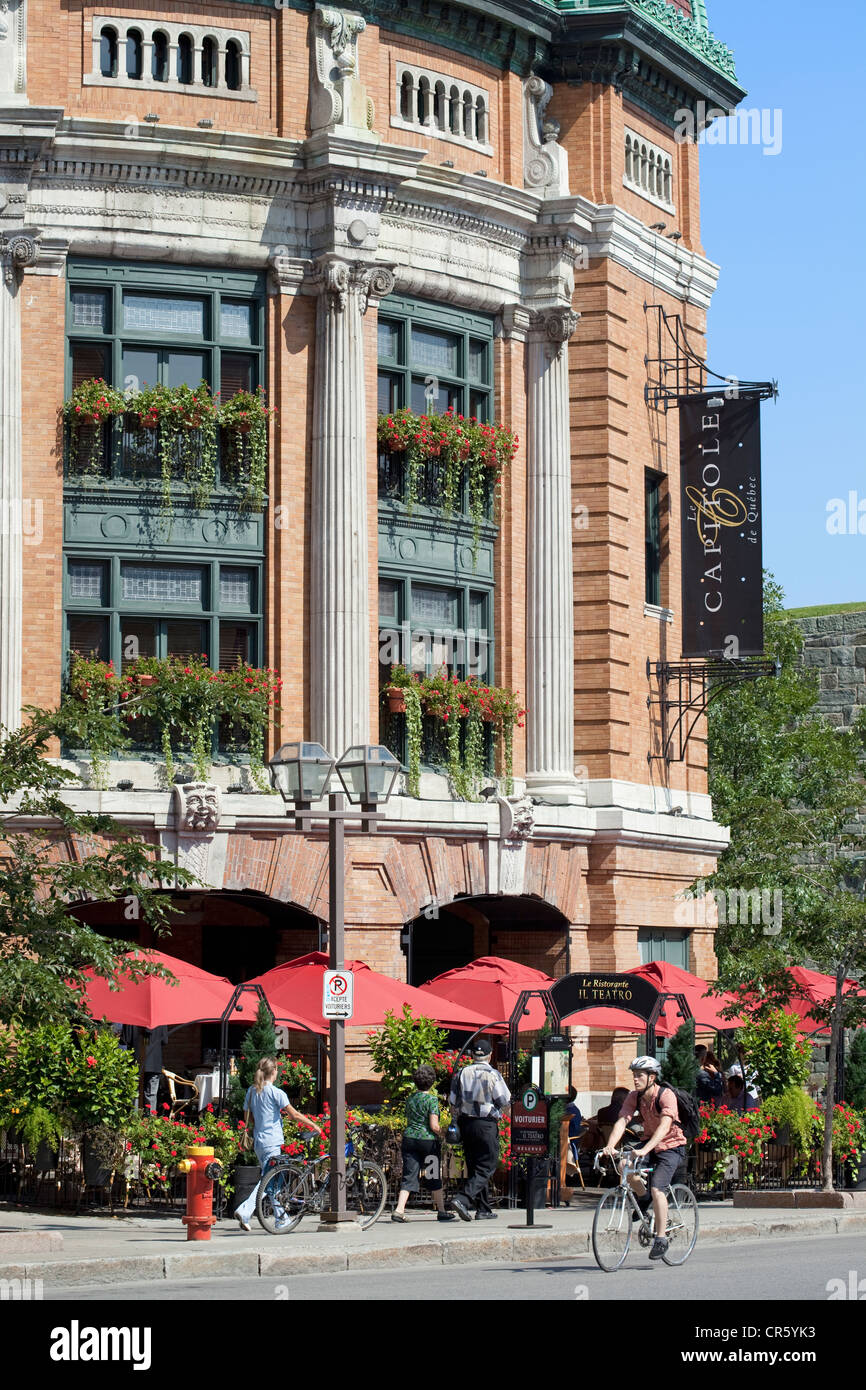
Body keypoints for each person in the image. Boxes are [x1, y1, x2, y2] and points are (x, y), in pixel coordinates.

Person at [602, 1055, 687, 1262]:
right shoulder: (634, 1096)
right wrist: (610, 1146)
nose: (635, 1079)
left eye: (639, 1075)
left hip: (671, 1146)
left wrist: (644, 1149)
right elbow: (622, 1121)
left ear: (652, 1077)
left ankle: (660, 1238)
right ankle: (644, 1199)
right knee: (624, 1165)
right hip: (648, 1143)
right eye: (634, 1075)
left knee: (658, 1187)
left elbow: (665, 1127)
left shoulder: (666, 1096)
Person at [234, 1056, 322, 1232]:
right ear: (274, 1071)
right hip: (272, 1141)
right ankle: (245, 1210)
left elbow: (247, 1117)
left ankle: (281, 1219)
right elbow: (294, 1115)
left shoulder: (252, 1091)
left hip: (259, 1141)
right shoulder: (276, 1093)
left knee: (273, 1181)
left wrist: (260, 1121)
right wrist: (313, 1125)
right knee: (268, 1180)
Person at [448, 1039, 510, 1222]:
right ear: (490, 1055)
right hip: (486, 1124)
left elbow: (453, 1101)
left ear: (473, 1055)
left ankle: (483, 1209)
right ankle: (463, 1199)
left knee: (475, 1166)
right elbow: (504, 1099)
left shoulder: (461, 1073)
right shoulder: (493, 1074)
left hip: (466, 1123)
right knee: (488, 1165)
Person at [391, 1064, 456, 1223]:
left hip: (410, 1139)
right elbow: (433, 1126)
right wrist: (443, 1133)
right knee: (433, 1174)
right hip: (428, 1143)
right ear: (432, 1082)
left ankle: (399, 1209)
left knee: (409, 1174)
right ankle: (441, 1210)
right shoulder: (432, 1100)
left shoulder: (411, 1098)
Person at [141, 1027, 168, 1113]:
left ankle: (134, 1119)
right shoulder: (160, 1020)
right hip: (154, 1062)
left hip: (138, 1061)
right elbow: (165, 1041)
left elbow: (126, 1040)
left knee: (135, 1094)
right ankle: (150, 1120)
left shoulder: (135, 1019)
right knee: (152, 1094)